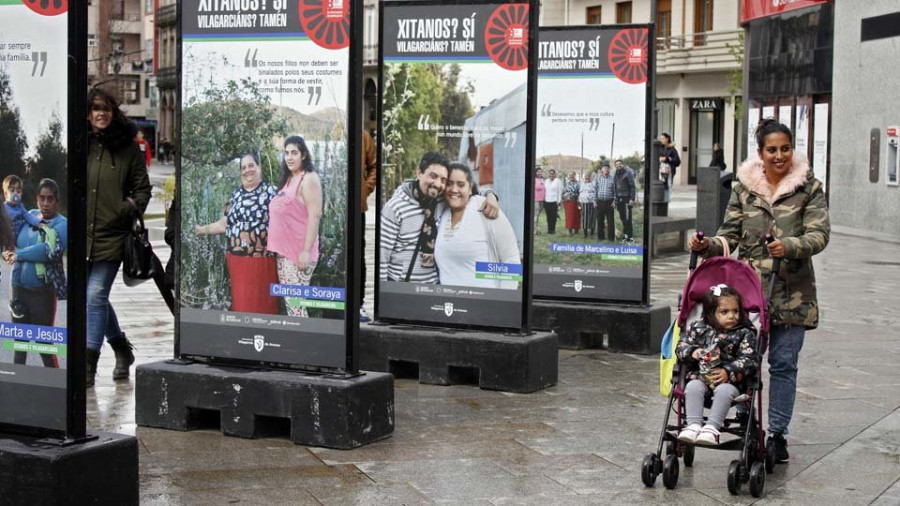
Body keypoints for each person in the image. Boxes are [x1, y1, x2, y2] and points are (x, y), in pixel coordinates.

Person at [688, 118, 830, 462]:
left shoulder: (809, 188)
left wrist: (790, 246)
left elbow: (819, 234)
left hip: (791, 296)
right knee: (743, 360)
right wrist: (706, 245)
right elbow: (729, 235)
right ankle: (745, 418)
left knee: (783, 364)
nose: (779, 155)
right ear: (760, 152)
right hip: (748, 298)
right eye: (772, 150)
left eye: (785, 148)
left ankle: (777, 434)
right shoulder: (744, 187)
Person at [85, 87, 152, 387]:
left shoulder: (128, 148)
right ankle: (121, 349)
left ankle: (88, 364)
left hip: (113, 235)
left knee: (95, 294)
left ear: (113, 113)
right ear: (87, 113)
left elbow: (143, 189)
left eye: (107, 109)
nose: (101, 114)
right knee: (93, 297)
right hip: (81, 236)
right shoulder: (80, 143)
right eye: (96, 108)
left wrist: (128, 208)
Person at [380, 152, 500, 284]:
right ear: (419, 173)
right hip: (402, 287)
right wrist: (385, 296)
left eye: (443, 180)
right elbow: (382, 258)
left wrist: (490, 195)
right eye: (433, 176)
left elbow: (469, 189)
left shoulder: (440, 199)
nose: (437, 184)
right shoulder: (395, 208)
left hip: (434, 288)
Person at [195, 153, 279, 314]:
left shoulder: (271, 192)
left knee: (263, 308)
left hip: (262, 262)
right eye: (243, 167)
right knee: (242, 307)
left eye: (251, 165)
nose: (247, 170)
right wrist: (201, 230)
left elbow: (285, 223)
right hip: (237, 263)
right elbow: (222, 224)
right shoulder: (235, 196)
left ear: (259, 167)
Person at [675, 284, 758, 446]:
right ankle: (693, 425)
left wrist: (729, 370)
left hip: (731, 382)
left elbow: (750, 359)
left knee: (723, 390)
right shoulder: (698, 328)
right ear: (711, 314)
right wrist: (693, 352)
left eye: (736, 311)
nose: (732, 316)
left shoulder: (744, 332)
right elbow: (681, 347)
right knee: (692, 387)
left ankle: (712, 428)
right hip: (701, 376)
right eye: (724, 312)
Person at [4, 179, 67, 368]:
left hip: (42, 293)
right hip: (19, 288)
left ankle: (54, 388)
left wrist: (19, 255)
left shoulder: (62, 224)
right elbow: (11, 234)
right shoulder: (29, 215)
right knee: (20, 343)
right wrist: (7, 249)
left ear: (57, 200)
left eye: (50, 199)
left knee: (43, 344)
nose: (46, 203)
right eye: (42, 198)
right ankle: (17, 390)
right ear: (37, 199)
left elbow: (47, 252)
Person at [434, 163, 520, 289]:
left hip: (485, 303)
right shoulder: (442, 212)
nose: (454, 189)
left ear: (470, 189)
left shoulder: (484, 207)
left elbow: (511, 258)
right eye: (449, 183)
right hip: (450, 303)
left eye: (461, 184)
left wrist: (504, 301)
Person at [267, 136, 322, 318]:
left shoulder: (309, 179)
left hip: (298, 254)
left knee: (296, 307)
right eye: (286, 153)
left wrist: (305, 252)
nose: (289, 157)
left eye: (294, 153)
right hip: (284, 254)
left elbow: (315, 215)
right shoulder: (290, 178)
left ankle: (307, 344)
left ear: (304, 155)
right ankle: (302, 343)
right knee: (293, 307)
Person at [360, 130, 377, 322]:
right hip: (339, 206)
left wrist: (365, 189)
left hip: (358, 207)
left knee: (359, 256)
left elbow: (374, 166)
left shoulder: (364, 136)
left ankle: (360, 305)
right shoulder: (339, 131)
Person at [613, 159, 636, 243]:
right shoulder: (616, 174)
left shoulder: (627, 173)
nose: (618, 165)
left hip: (627, 198)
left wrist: (632, 199)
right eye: (616, 164)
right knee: (622, 218)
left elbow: (632, 186)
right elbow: (615, 188)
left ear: (622, 164)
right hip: (619, 199)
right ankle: (626, 236)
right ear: (615, 166)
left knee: (628, 218)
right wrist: (615, 200)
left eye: (619, 164)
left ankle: (630, 237)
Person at [595, 163, 616, 242]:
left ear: (609, 170)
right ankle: (601, 237)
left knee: (610, 221)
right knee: (600, 220)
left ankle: (611, 238)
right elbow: (595, 190)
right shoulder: (598, 179)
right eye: (604, 168)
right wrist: (595, 201)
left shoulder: (613, 179)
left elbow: (615, 192)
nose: (606, 170)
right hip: (600, 202)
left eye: (607, 168)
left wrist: (614, 201)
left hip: (609, 202)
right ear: (602, 170)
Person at [659, 133, 681, 200]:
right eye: (661, 138)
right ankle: (662, 199)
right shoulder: (660, 148)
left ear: (667, 139)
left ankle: (666, 200)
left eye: (663, 138)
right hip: (660, 169)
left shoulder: (672, 150)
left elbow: (677, 161)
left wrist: (667, 159)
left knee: (666, 185)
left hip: (668, 170)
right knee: (661, 184)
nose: (661, 140)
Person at [542, 169, 563, 234]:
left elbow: (560, 191)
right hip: (546, 201)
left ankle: (553, 230)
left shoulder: (558, 181)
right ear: (548, 174)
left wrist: (559, 200)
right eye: (550, 173)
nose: (551, 175)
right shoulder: (546, 181)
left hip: (554, 201)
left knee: (553, 216)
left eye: (552, 173)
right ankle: (549, 229)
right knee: (548, 216)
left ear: (554, 174)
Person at [577, 172, 596, 238]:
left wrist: (595, 201)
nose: (587, 177)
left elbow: (595, 192)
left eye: (588, 176)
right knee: (584, 217)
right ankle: (585, 233)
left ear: (590, 177)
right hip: (583, 202)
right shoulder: (582, 184)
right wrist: (579, 202)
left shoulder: (593, 184)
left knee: (592, 217)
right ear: (584, 178)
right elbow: (580, 193)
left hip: (592, 202)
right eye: (586, 176)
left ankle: (592, 232)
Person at [533, 167, 545, 235]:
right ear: (536, 172)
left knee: (538, 216)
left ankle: (536, 229)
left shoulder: (542, 180)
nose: (539, 173)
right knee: (535, 215)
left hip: (541, 200)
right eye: (538, 171)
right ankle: (534, 230)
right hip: (536, 200)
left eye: (540, 171)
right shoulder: (534, 180)